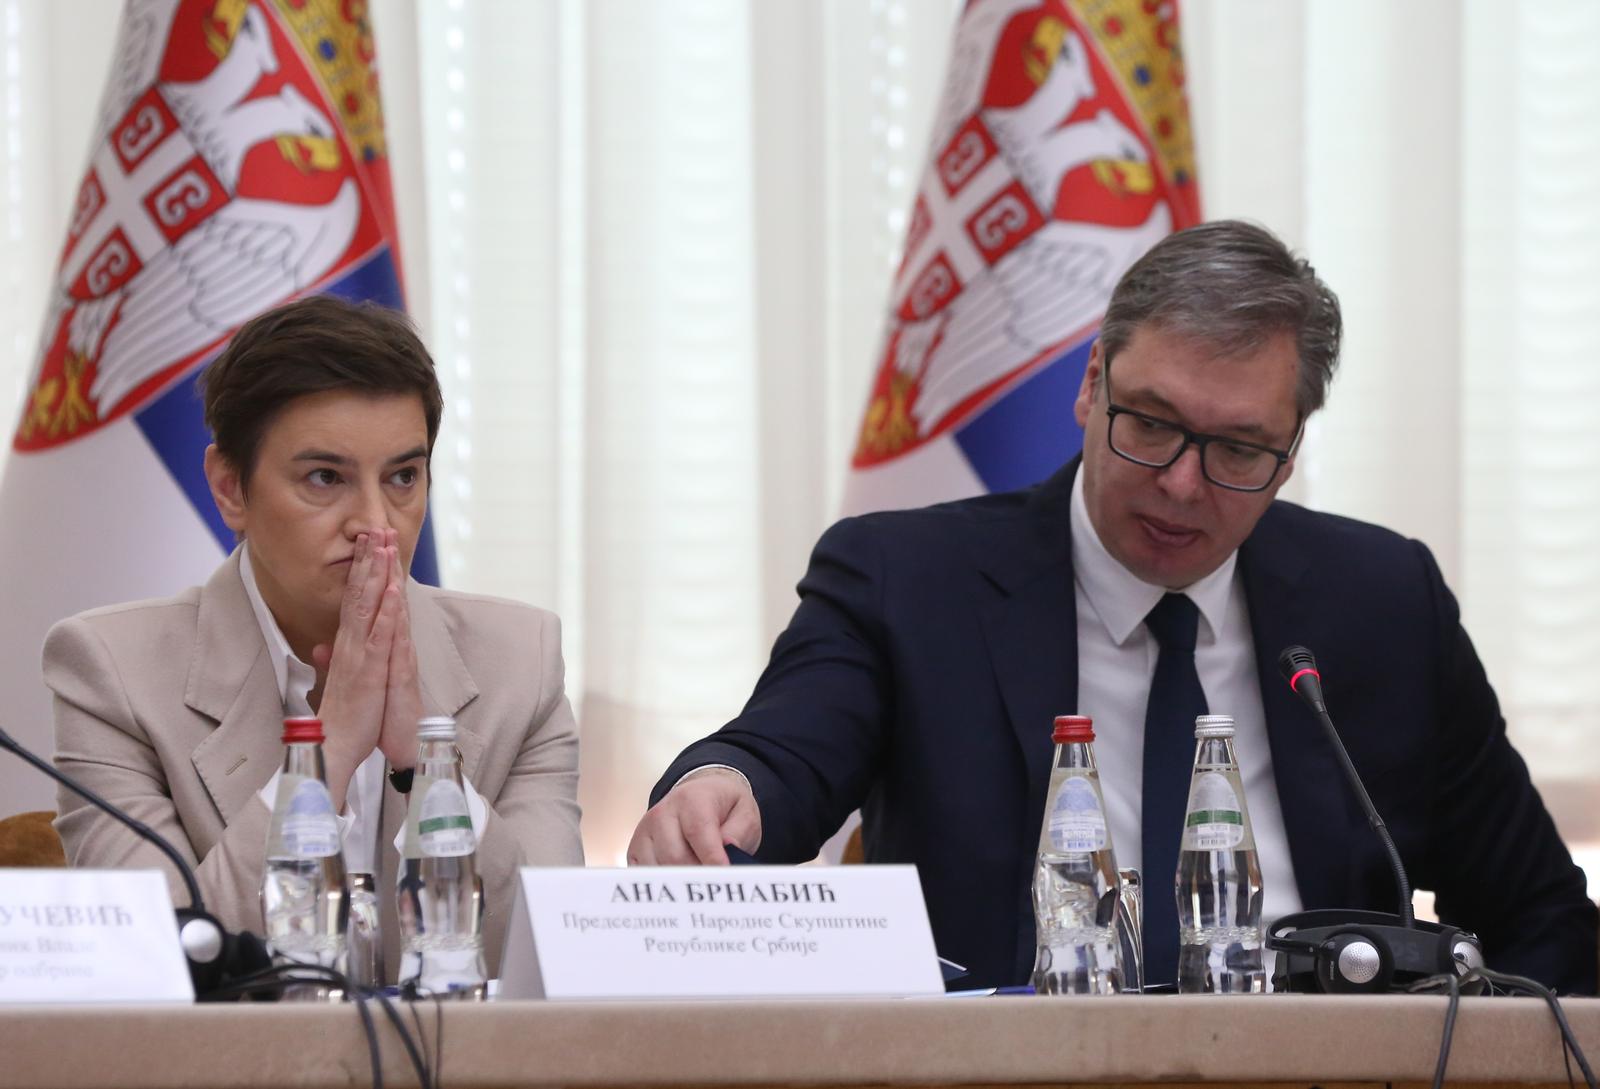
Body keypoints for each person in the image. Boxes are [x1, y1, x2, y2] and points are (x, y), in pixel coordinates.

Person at [629, 220, 1598, 994]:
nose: (1181, 484)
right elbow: (784, 753)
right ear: (1092, 387)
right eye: (1152, 424)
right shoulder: (909, 579)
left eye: (1236, 450)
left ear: (1291, 452)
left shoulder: (1382, 605)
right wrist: (730, 783)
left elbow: (1544, 919)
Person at [46, 295, 583, 978]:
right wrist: (324, 757)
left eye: (403, 477)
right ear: (230, 487)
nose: (374, 521)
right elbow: (152, 965)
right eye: (325, 477)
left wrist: (428, 762)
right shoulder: (111, 674)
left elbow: (553, 952)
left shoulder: (520, 662)